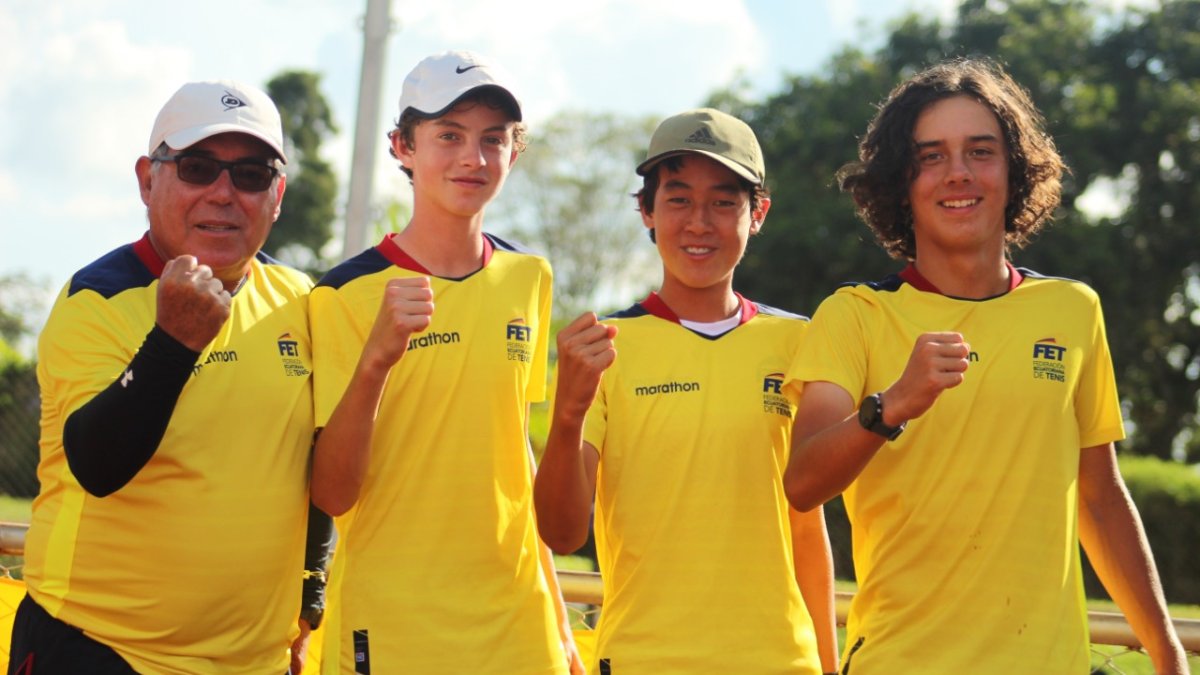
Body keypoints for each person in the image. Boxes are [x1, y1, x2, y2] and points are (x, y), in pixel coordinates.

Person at [783, 58, 1189, 674]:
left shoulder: (1074, 310)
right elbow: (803, 481)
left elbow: (1101, 500)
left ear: (1015, 170)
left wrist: (1167, 651)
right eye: (931, 157)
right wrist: (890, 405)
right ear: (901, 180)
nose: (958, 175)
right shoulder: (854, 315)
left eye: (981, 151)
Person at [10, 80, 327, 674]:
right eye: (198, 167)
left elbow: (315, 463)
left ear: (278, 194)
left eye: (252, 175)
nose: (224, 193)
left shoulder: (300, 299)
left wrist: (311, 595)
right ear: (147, 179)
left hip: (255, 663)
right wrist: (173, 343)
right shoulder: (97, 298)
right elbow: (97, 465)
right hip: (100, 649)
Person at [535, 108, 839, 674]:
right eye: (678, 199)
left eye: (724, 202)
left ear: (758, 213)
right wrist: (569, 412)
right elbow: (560, 530)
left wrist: (826, 661)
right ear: (646, 211)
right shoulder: (603, 348)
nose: (700, 222)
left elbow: (806, 524)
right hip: (642, 661)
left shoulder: (801, 342)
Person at [308, 50, 580, 674]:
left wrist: (558, 616)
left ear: (517, 150)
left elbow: (512, 449)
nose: (473, 158)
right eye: (449, 136)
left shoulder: (529, 278)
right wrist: (376, 361)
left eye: (494, 139)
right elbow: (332, 492)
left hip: (518, 624)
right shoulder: (342, 294)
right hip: (394, 620)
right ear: (402, 145)